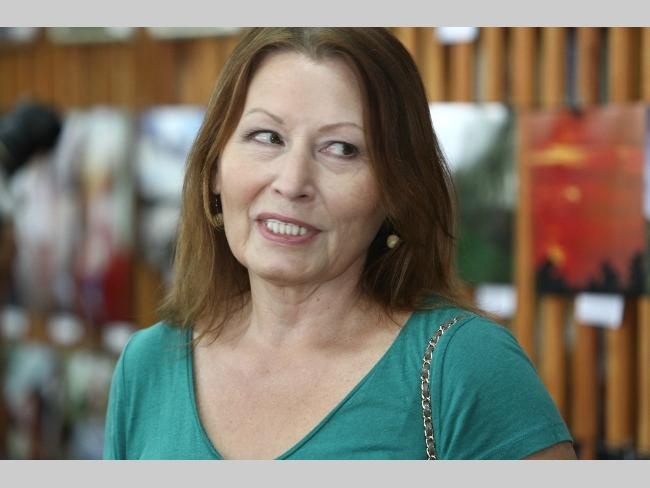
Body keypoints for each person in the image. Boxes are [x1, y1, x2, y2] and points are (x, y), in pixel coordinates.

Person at [103, 27, 575, 460]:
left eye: (342, 149)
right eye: (267, 136)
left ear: (395, 191)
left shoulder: (467, 367)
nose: (292, 183)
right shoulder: (147, 365)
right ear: (214, 169)